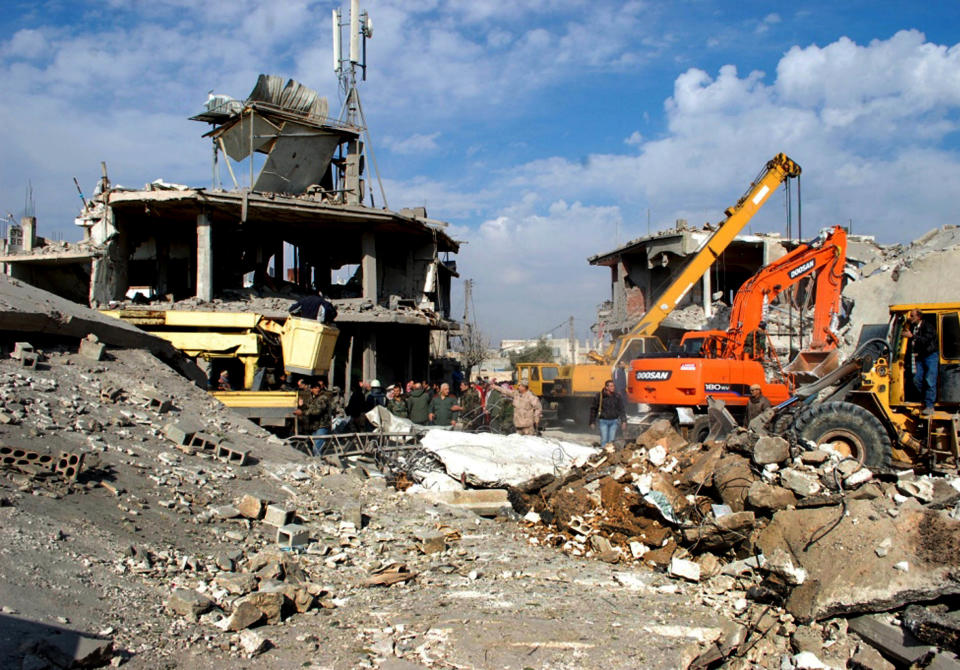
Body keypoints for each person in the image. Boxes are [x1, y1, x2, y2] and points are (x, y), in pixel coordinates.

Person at [904, 309, 938, 415]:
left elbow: (926, 340)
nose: (911, 317)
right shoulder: (914, 327)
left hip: (930, 356)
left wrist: (912, 336)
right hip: (921, 356)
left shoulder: (928, 327)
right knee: (916, 379)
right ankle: (925, 400)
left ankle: (930, 405)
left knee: (929, 380)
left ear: (919, 317)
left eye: (912, 316)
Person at [295, 378, 333, 455]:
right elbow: (309, 408)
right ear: (311, 389)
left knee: (317, 448)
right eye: (315, 388)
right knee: (312, 448)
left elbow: (317, 411)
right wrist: (302, 406)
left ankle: (319, 465)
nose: (317, 389)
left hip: (322, 426)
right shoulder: (312, 399)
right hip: (314, 426)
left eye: (318, 387)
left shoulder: (323, 398)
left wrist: (302, 412)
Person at [589, 379, 627, 446]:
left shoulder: (617, 396)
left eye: (613, 386)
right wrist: (592, 422)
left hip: (614, 421)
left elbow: (622, 409)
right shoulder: (600, 396)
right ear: (606, 387)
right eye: (611, 386)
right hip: (603, 421)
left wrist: (623, 421)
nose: (613, 388)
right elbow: (593, 409)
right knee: (604, 439)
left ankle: (610, 454)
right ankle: (603, 453)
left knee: (611, 441)